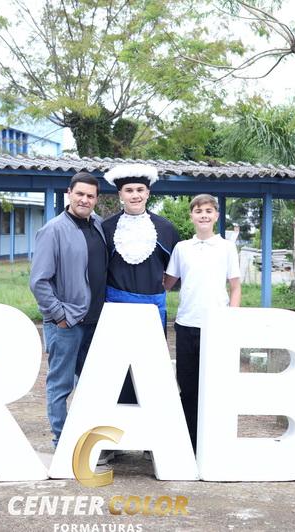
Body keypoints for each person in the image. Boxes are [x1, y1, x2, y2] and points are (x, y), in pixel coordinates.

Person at [29, 172, 107, 448]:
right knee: (61, 384)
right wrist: (60, 316)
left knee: (92, 384)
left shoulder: (98, 225)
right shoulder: (53, 230)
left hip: (95, 322)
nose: (84, 200)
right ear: (69, 193)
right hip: (67, 323)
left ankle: (87, 440)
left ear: (96, 199)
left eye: (90, 196)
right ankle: (61, 440)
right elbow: (39, 281)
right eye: (80, 194)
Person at [164, 194, 242, 452]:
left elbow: (235, 287)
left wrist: (231, 319)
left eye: (209, 211)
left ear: (216, 215)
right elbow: (166, 283)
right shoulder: (182, 248)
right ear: (192, 216)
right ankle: (189, 443)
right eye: (199, 211)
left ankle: (213, 443)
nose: (204, 215)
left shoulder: (227, 247)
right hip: (187, 324)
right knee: (187, 385)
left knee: (215, 387)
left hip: (216, 326)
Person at [102, 163, 180, 407]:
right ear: (120, 194)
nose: (135, 195)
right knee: (116, 368)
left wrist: (160, 290)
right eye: (129, 190)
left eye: (139, 190)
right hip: (116, 308)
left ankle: (150, 422)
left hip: (152, 309)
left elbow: (175, 270)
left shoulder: (166, 229)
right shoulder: (106, 228)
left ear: (148, 193)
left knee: (150, 368)